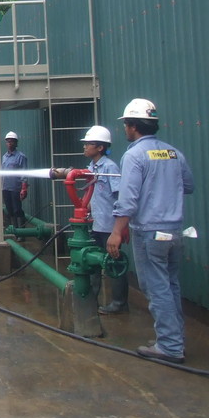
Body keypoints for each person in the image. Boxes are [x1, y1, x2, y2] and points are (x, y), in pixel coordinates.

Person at [106, 99, 194, 364]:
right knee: (171, 286)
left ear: (133, 126)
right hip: (174, 232)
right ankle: (174, 341)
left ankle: (169, 345)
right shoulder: (173, 153)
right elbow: (187, 185)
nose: (124, 130)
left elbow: (128, 199)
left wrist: (116, 232)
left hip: (149, 232)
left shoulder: (134, 155)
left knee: (156, 289)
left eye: (126, 125)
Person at [79, 125, 128, 315]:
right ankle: (92, 298)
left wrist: (121, 227)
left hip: (109, 225)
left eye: (88, 144)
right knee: (94, 262)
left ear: (100, 147)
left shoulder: (109, 167)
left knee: (113, 263)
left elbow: (119, 196)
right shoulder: (92, 167)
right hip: (97, 223)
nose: (85, 147)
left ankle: (119, 304)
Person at [1, 131, 28, 227]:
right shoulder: (4, 157)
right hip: (5, 188)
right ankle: (14, 230)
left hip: (15, 188)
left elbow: (24, 173)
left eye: (11, 141)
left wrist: (24, 188)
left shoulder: (21, 157)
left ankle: (21, 231)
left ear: (16, 143)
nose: (9, 143)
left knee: (17, 209)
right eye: (8, 141)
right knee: (9, 209)